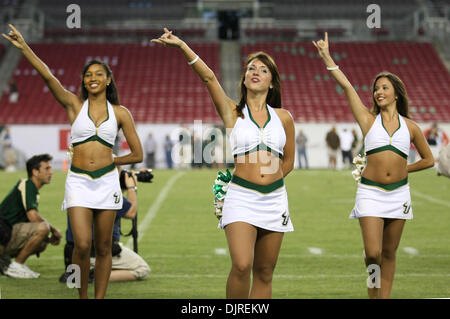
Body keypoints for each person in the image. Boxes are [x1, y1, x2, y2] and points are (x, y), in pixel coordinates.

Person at [153, 28, 295, 299]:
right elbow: (208, 77)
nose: (255, 72)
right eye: (251, 68)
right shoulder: (233, 112)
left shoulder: (284, 118)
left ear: (272, 82)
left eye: (263, 70)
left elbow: (289, 161)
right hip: (241, 197)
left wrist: (273, 181)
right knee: (242, 265)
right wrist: (183, 46)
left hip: (275, 201)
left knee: (265, 272)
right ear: (244, 79)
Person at [2, 25, 143, 298]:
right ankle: (82, 296)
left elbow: (137, 154)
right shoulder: (73, 105)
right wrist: (24, 48)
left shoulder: (121, 113)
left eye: (98, 74)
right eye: (88, 75)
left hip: (107, 183)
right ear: (83, 81)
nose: (92, 78)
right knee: (81, 244)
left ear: (108, 80)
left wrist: (114, 161)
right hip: (78, 182)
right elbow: (47, 76)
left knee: (103, 247)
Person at [313, 32, 434, 299]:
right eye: (376, 89)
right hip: (370, 193)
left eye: (384, 88)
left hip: (399, 195)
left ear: (396, 94)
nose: (378, 92)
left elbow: (429, 160)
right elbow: (347, 87)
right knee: (373, 254)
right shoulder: (368, 121)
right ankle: (373, 293)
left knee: (389, 253)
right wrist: (327, 58)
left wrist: (406, 170)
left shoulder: (411, 127)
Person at [60, 167, 150, 283]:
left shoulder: (79, 188)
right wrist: (132, 188)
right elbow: (131, 212)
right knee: (142, 268)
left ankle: (81, 271)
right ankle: (92, 275)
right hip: (95, 252)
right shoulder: (107, 193)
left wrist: (119, 187)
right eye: (118, 171)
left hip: (73, 254)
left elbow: (114, 207)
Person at [0, 154, 62, 278]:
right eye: (47, 168)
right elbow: (33, 217)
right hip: (3, 234)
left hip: (6, 235)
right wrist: (54, 230)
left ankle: (5, 260)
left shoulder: (31, 189)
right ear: (35, 171)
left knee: (43, 241)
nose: (51, 172)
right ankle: (17, 265)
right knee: (43, 228)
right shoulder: (27, 185)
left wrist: (49, 236)